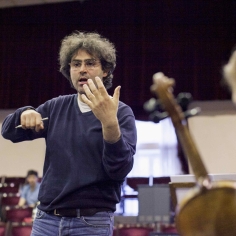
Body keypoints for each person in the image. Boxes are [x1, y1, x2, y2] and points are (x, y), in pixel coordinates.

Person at [1, 31, 137, 236]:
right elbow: (8, 131)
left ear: (105, 71)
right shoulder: (56, 107)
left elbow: (119, 170)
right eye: (76, 64)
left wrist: (110, 124)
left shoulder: (121, 112)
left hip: (92, 223)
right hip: (46, 221)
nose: (82, 69)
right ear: (69, 70)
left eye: (90, 63)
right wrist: (25, 113)